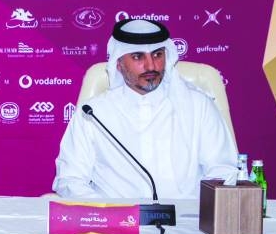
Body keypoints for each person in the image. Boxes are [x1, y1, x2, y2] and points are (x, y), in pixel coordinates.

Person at [53, 19, 238, 199]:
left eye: (157, 55)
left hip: (186, 222)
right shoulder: (93, 114)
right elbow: (70, 179)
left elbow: (223, 170)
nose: (151, 66)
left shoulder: (199, 106)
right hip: (115, 223)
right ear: (119, 63)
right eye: (137, 57)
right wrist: (107, 213)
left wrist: (200, 214)